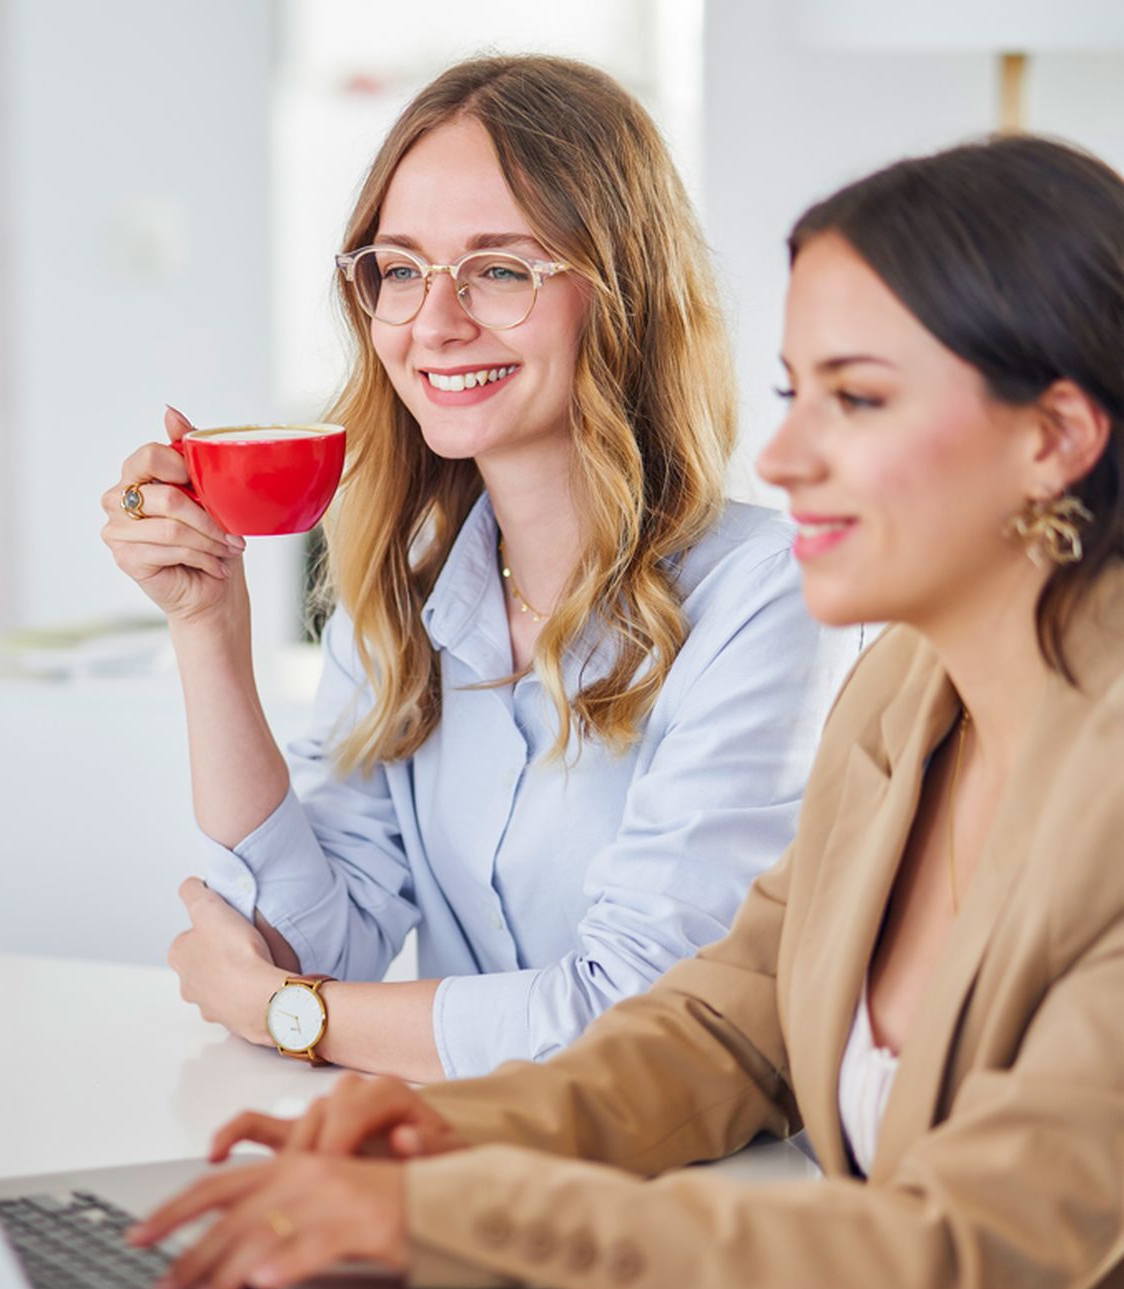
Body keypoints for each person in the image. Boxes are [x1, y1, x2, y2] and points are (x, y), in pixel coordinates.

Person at [128, 135, 1124, 1289]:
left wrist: (455, 1214)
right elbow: (724, 1026)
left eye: (858, 399)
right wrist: (448, 1137)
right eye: (794, 394)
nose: (783, 458)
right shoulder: (909, 699)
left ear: (1054, 436)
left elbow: (968, 1261)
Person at [97, 55, 830, 1080]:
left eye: (501, 269)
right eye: (401, 269)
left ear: (620, 295)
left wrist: (295, 1016)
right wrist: (206, 627)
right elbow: (299, 950)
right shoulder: (405, 602)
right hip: (451, 1153)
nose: (434, 324)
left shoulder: (767, 598)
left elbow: (639, 1022)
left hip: (681, 1176)